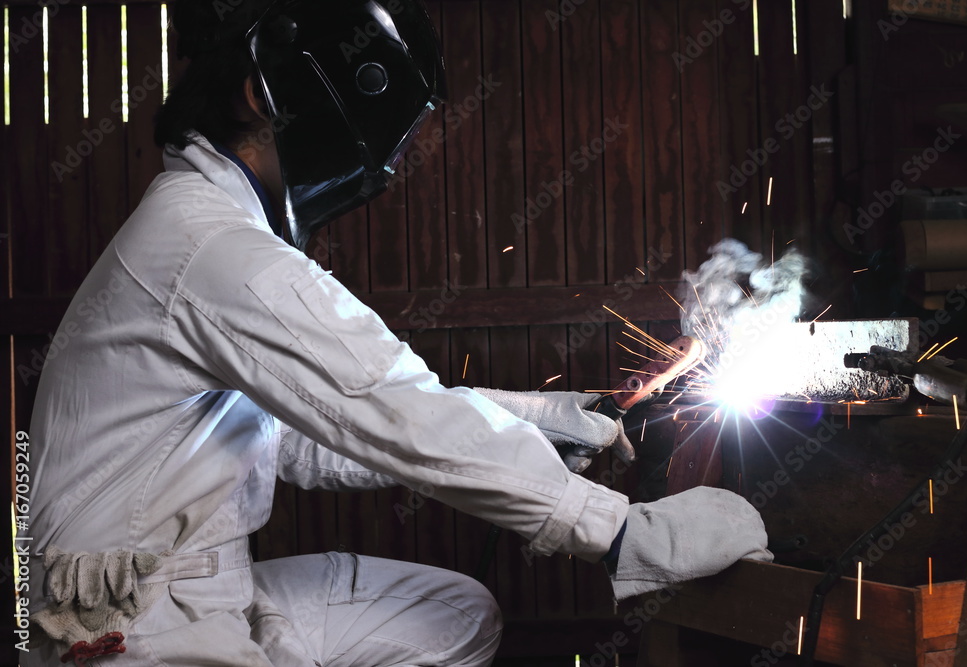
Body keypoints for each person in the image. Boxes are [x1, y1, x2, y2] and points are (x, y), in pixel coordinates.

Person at [21, 1, 771, 665]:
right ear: (263, 96)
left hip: (198, 586)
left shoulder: (197, 230)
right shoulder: (212, 249)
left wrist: (538, 417)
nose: (380, 165)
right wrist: (622, 534)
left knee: (455, 615)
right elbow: (389, 402)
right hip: (124, 626)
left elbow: (315, 436)